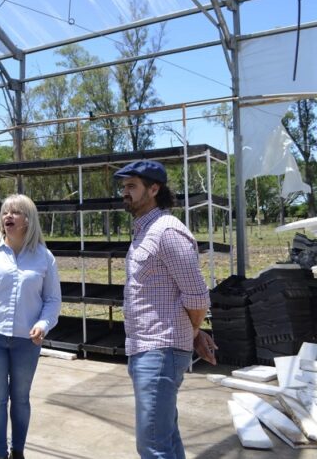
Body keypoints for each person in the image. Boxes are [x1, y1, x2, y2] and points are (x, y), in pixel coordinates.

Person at [114, 160, 218, 459]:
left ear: (154, 188)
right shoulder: (144, 231)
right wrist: (193, 334)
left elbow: (197, 297)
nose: (125, 193)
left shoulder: (167, 232)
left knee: (153, 446)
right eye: (124, 187)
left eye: (132, 186)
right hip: (147, 349)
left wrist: (193, 331)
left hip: (158, 353)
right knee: (166, 440)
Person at [0, 194, 61, 459]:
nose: (8, 216)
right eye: (5, 211)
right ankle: (0, 454)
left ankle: (18, 451)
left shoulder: (44, 257)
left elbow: (52, 300)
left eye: (15, 212)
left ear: (28, 220)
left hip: (26, 342)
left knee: (20, 399)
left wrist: (43, 324)